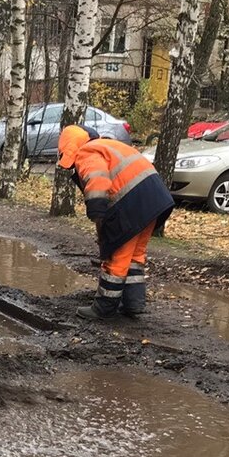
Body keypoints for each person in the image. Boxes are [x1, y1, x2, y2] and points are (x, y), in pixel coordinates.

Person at [56, 124, 174, 320]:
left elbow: (97, 178)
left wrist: (97, 212)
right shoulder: (108, 145)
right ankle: (133, 304)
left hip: (132, 204)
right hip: (154, 201)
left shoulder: (87, 152)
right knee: (135, 256)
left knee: (116, 257)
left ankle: (104, 308)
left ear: (69, 148)